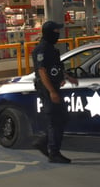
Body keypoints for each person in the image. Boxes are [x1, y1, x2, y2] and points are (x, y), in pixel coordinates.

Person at [32, 21, 78, 163]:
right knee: (55, 120)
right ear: (49, 32)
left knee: (62, 118)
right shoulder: (42, 49)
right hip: (48, 90)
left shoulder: (51, 48)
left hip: (54, 88)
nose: (58, 34)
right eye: (56, 31)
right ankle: (54, 152)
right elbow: (42, 71)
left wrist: (67, 77)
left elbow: (56, 68)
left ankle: (44, 142)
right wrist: (52, 91)